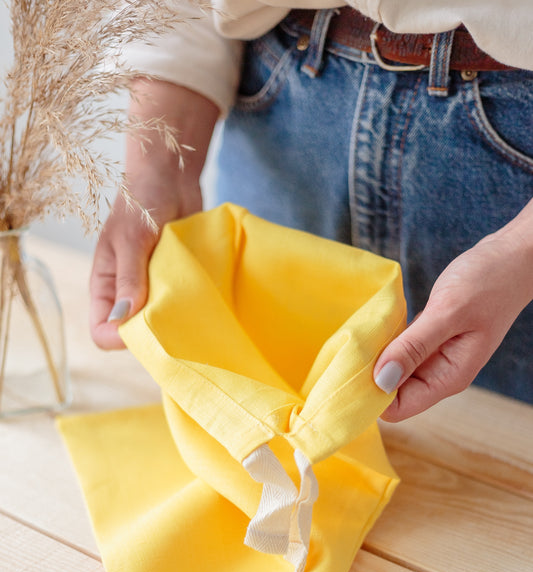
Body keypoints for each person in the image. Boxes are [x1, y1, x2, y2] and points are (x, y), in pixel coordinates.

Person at [90, 1, 533, 422]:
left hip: (513, 158)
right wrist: (157, 167)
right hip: (282, 100)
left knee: (498, 463)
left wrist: (521, 253)